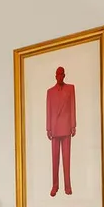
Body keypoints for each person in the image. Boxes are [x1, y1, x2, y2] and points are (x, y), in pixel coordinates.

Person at [46, 66, 75, 196]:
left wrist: (73, 125)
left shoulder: (70, 88)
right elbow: (48, 110)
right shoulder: (50, 92)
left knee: (67, 160)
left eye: (62, 74)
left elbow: (73, 107)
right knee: (55, 160)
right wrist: (48, 128)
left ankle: (67, 187)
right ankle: (55, 186)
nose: (60, 77)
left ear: (64, 75)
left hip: (66, 128)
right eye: (58, 75)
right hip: (55, 128)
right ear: (55, 76)